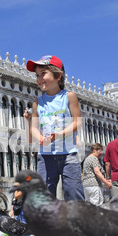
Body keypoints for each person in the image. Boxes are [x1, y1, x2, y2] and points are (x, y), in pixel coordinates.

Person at [25, 55, 85, 202]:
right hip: (45, 156)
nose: (39, 79)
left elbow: (77, 122)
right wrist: (42, 139)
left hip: (68, 155)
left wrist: (59, 135)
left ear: (58, 75)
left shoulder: (69, 97)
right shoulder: (37, 102)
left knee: (73, 192)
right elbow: (33, 128)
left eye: (43, 74)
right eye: (37, 75)